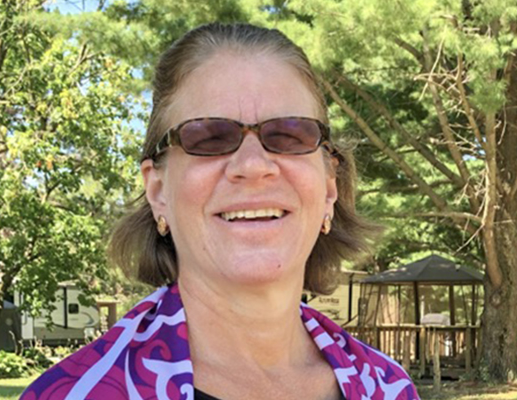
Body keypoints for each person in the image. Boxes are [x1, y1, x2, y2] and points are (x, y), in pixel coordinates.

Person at [21, 22, 419, 400]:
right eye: (209, 137)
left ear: (329, 188)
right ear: (158, 191)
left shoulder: (389, 388)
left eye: (288, 134)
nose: (253, 165)